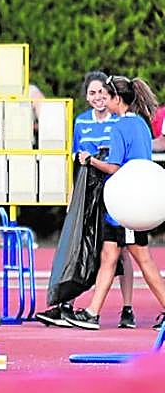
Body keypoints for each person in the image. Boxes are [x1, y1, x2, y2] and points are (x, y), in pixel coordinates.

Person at [36, 71, 135, 329]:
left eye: (102, 92)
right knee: (84, 247)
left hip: (115, 190)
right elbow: (75, 162)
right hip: (89, 192)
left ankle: (127, 309)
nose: (98, 97)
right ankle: (67, 304)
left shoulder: (119, 121)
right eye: (92, 93)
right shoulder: (81, 122)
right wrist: (73, 197)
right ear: (86, 97)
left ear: (110, 94)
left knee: (122, 251)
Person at [67, 75, 165, 330]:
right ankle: (92, 313)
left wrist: (90, 160)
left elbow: (114, 167)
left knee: (143, 259)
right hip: (131, 201)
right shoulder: (141, 123)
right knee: (109, 255)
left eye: (107, 96)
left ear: (117, 99)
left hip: (127, 204)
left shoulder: (120, 126)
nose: (103, 100)